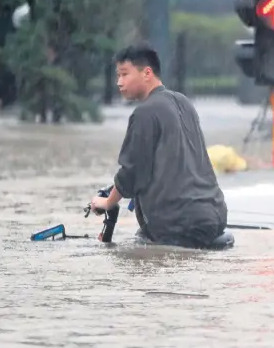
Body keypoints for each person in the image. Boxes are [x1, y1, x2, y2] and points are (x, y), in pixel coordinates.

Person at [90, 43, 228, 249]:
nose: (119, 82)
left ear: (147, 73)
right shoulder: (184, 102)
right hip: (214, 216)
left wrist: (107, 202)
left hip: (177, 225)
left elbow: (132, 173)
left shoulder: (145, 112)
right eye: (118, 76)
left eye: (125, 74)